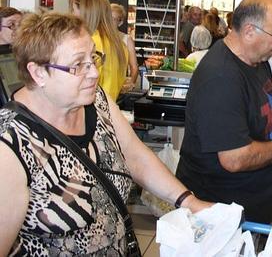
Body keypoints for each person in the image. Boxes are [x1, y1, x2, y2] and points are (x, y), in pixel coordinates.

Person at [0, 13, 211, 255]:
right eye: (78, 65)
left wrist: (188, 201)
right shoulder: (10, 144)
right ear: (38, 73)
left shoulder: (95, 100)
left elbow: (134, 155)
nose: (93, 73)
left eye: (93, 58)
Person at [176, 0, 272, 224]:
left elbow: (271, 103)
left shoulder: (257, 60)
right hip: (219, 214)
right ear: (249, 31)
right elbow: (234, 158)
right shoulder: (220, 78)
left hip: (251, 206)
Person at [70, 0, 127, 101]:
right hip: (107, 109)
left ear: (85, 11)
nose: (71, 15)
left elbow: (79, 85)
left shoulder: (91, 43)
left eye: (73, 10)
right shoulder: (119, 44)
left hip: (90, 109)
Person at [110, 3, 138, 93]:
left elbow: (134, 67)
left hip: (118, 89)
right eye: (108, 17)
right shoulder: (97, 37)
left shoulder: (126, 40)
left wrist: (131, 82)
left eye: (114, 19)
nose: (110, 21)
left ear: (120, 22)